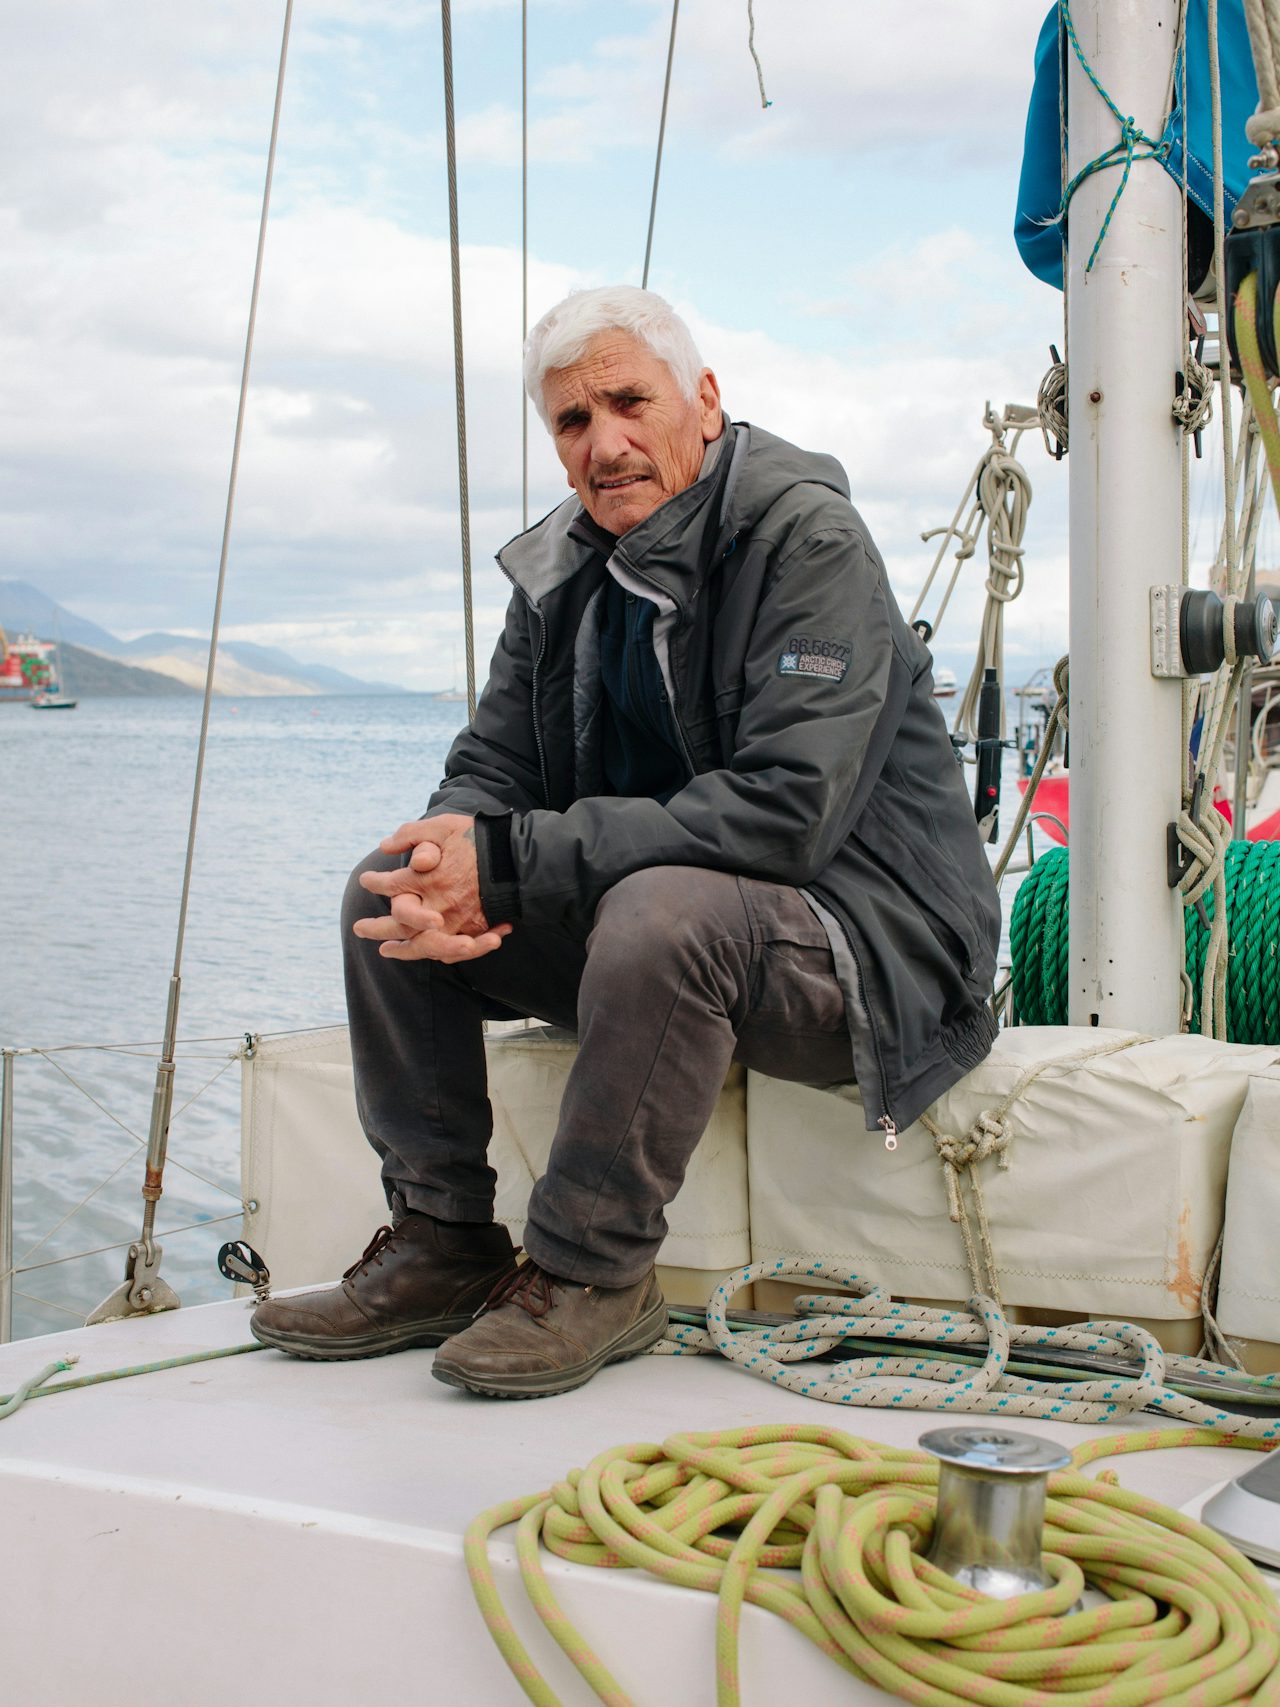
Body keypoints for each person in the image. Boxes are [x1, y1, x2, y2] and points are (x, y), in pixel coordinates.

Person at [250, 286, 1002, 1398]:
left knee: (659, 916)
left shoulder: (807, 540)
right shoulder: (562, 568)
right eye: (569, 421)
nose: (603, 443)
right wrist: (447, 872)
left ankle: (592, 1276)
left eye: (626, 402)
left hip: (867, 944)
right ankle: (442, 1241)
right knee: (385, 890)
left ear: (701, 401)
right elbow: (492, 768)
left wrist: (508, 861)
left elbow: (785, 811)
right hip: (672, 931)